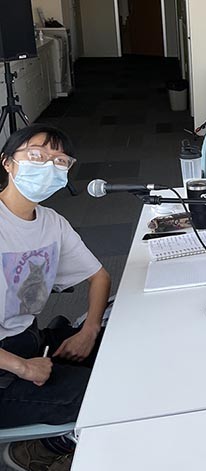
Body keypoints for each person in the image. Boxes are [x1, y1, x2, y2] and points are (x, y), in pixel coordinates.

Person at [0, 125, 111, 471]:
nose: (48, 166)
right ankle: (39, 450)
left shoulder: (51, 222)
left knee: (118, 349)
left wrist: (89, 329)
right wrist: (22, 367)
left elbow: (99, 276)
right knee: (102, 393)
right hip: (8, 363)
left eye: (59, 161)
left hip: (29, 341)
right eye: (37, 155)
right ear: (7, 162)